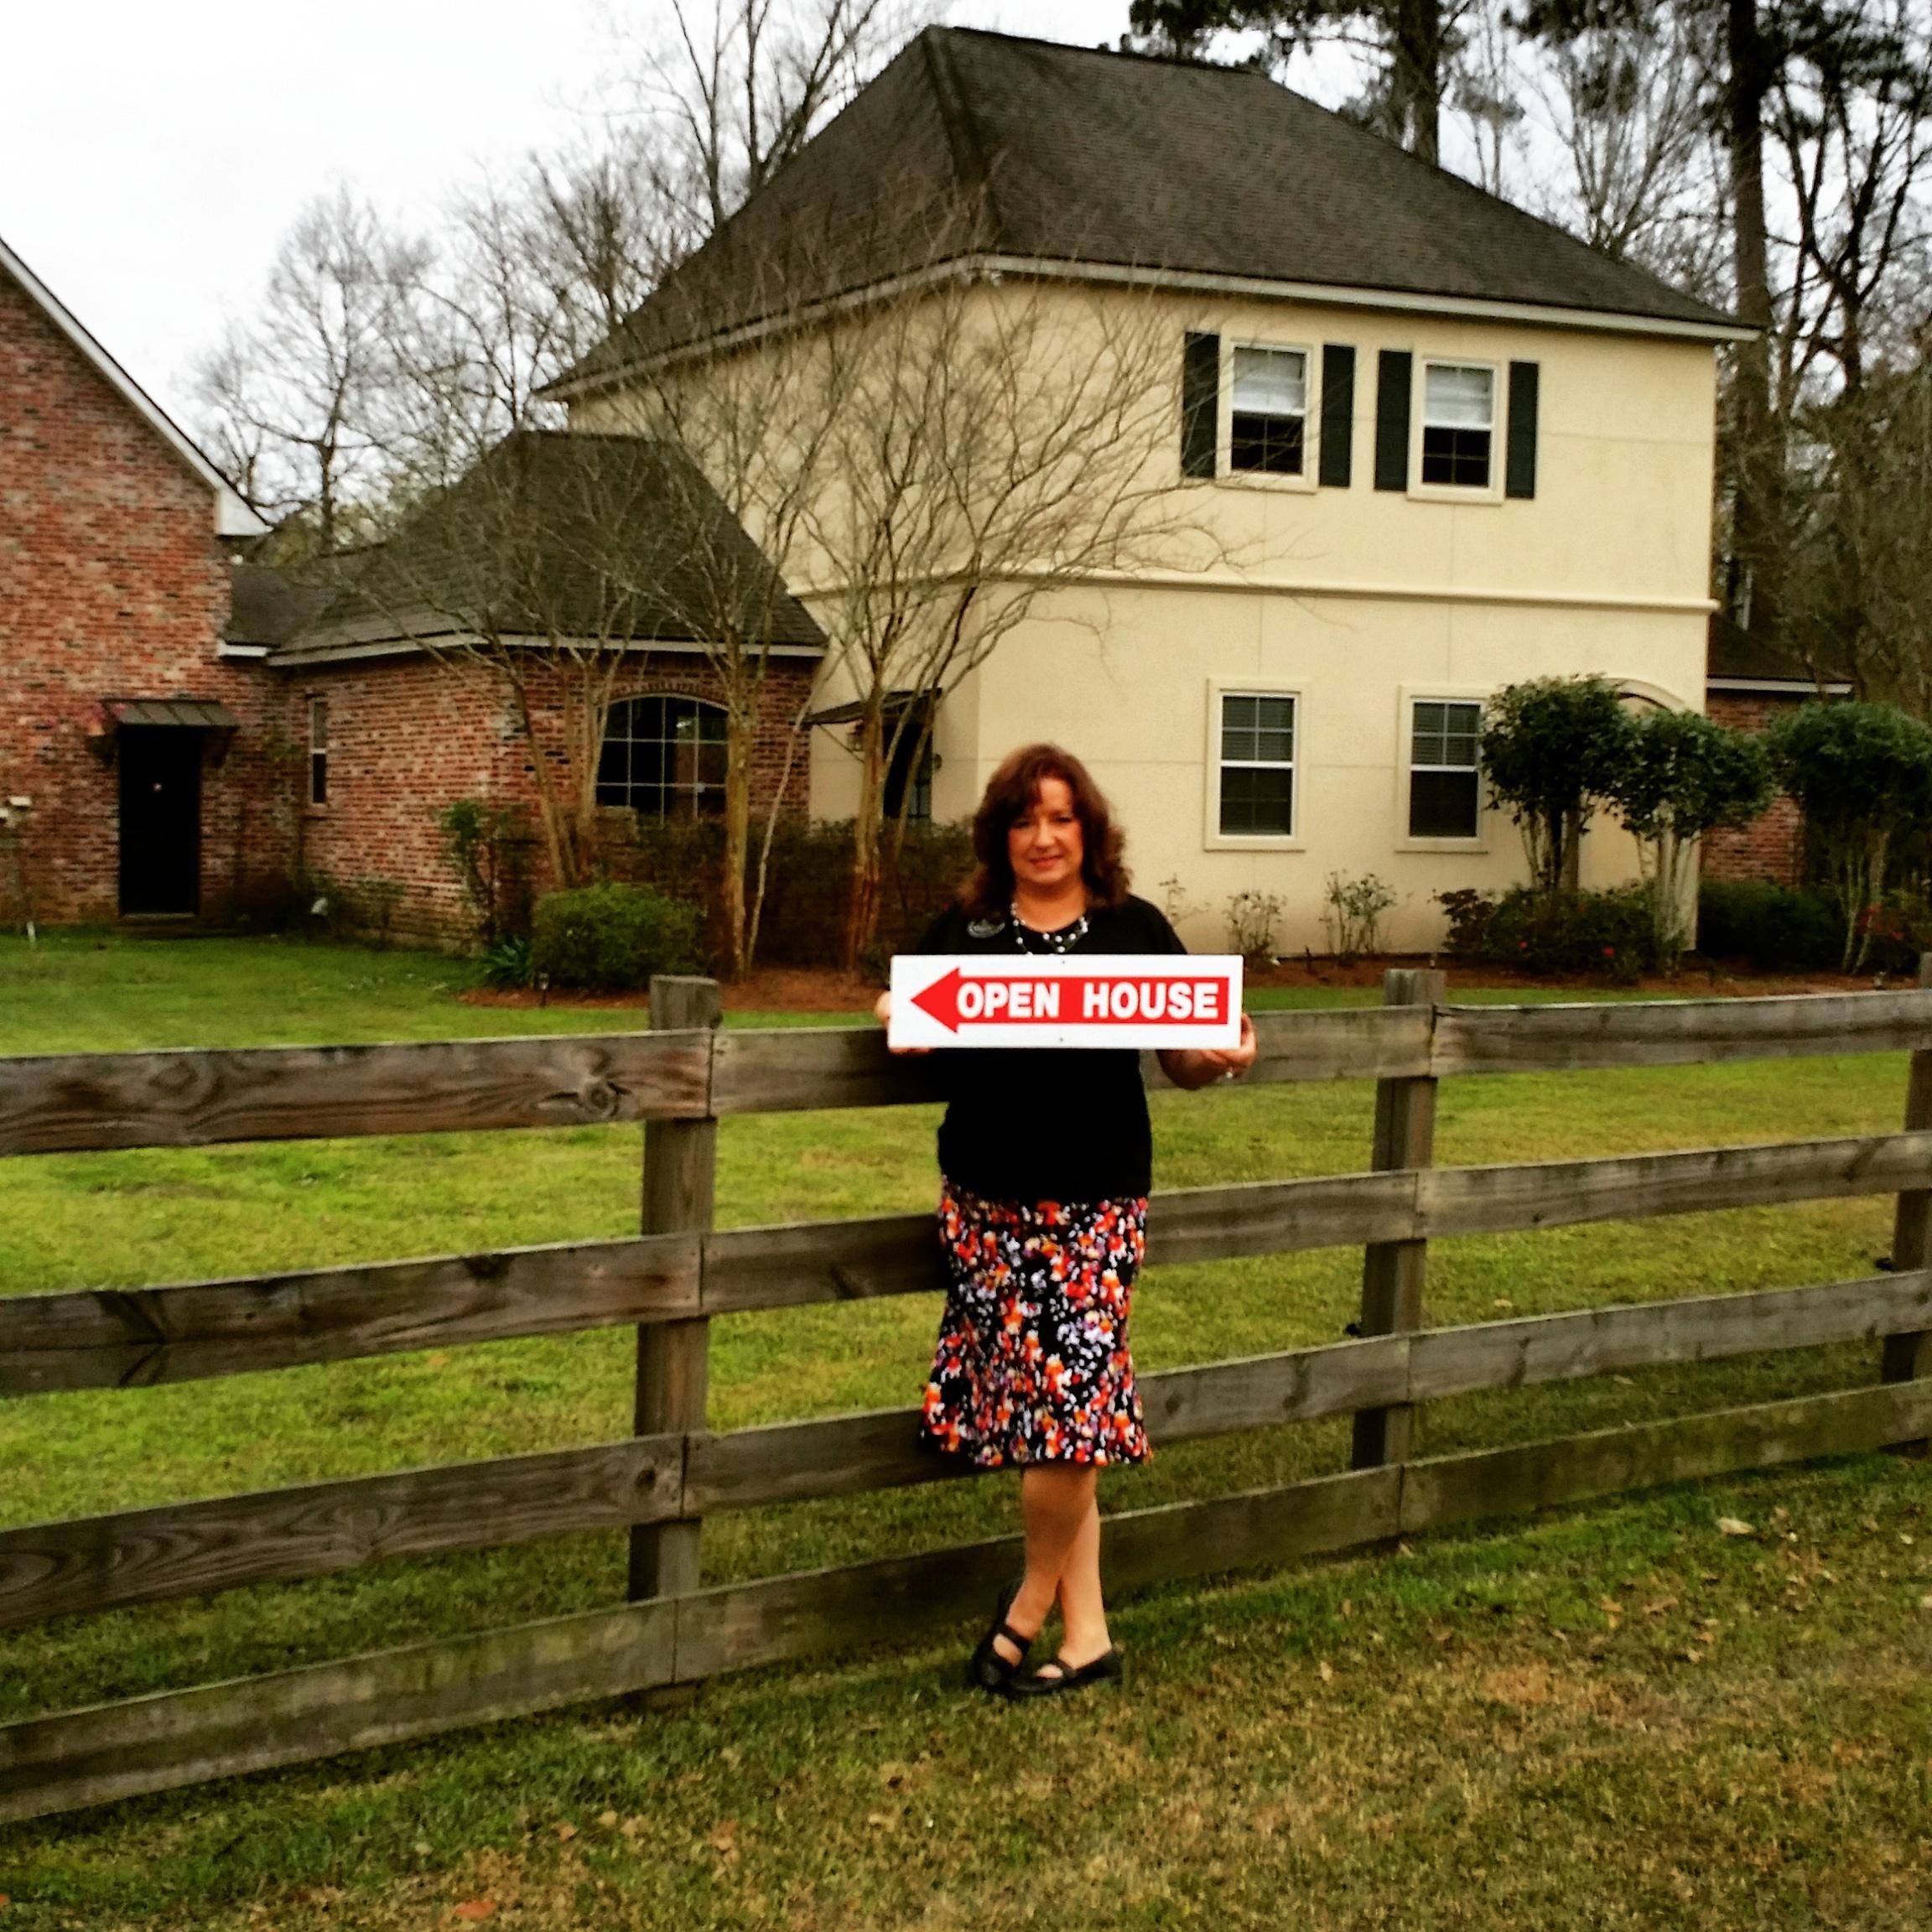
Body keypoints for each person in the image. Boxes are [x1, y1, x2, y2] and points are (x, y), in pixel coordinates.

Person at [873, 742, 1257, 1698]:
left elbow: (1181, 1055)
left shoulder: (1134, 930)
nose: (1043, 838)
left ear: (1088, 830)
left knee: (1071, 1418)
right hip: (987, 1203)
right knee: (1049, 1419)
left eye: (1060, 818)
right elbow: (904, 1003)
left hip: (1093, 1204)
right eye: (1023, 820)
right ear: (999, 836)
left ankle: (1028, 1606)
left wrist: (1223, 1056)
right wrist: (895, 1009)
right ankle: (1088, 1634)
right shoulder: (964, 932)